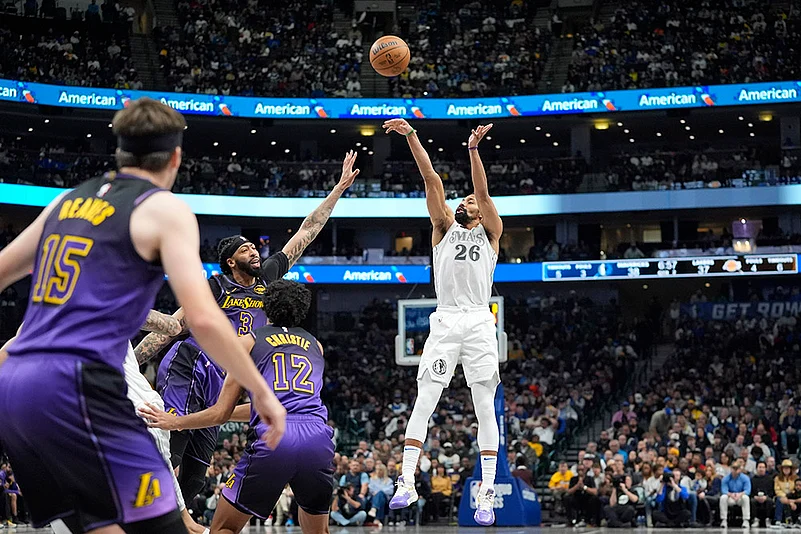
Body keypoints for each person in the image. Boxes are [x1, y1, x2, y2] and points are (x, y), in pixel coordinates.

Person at [0, 97, 285, 534]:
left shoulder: (66, 203)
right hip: (77, 385)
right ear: (175, 157)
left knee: (105, 526)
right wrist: (260, 393)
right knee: (163, 528)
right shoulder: (163, 208)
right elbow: (204, 319)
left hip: (17, 386)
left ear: (119, 151)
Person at [137, 150, 359, 506]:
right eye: (247, 250)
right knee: (171, 452)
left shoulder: (269, 278)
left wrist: (338, 189)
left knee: (195, 475)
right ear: (231, 261)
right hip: (192, 365)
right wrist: (132, 360)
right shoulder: (214, 286)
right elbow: (173, 327)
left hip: (223, 378)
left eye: (255, 248)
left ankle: (180, 520)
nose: (255, 252)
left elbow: (308, 231)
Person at [383, 118, 503, 526]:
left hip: (479, 321)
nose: (465, 202)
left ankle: (486, 493)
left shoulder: (491, 234)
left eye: (469, 201)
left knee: (484, 405)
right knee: (425, 400)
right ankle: (406, 480)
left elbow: (484, 193)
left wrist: (473, 151)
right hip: (447, 320)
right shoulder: (441, 228)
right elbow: (432, 178)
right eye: (463, 200)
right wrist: (412, 137)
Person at [140, 280, 333, 534]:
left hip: (275, 439)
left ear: (266, 306)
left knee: (224, 528)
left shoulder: (249, 341)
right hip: (318, 438)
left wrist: (174, 421)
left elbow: (221, 413)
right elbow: (284, 406)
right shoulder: (315, 346)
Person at [721, 460, 752, 529]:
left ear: (740, 469)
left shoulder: (745, 478)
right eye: (733, 468)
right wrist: (731, 495)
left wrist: (739, 494)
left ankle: (746, 520)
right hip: (730, 497)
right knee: (723, 497)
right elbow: (724, 490)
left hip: (740, 497)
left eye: (737, 468)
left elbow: (747, 490)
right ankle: (724, 520)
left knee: (746, 498)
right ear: (731, 469)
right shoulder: (726, 478)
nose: (735, 470)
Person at [750, 460, 774, 528]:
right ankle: (755, 519)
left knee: (769, 501)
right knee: (752, 501)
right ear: (756, 468)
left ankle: (768, 519)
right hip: (755, 497)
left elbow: (772, 492)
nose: (761, 469)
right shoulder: (752, 480)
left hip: (766, 497)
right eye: (760, 467)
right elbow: (750, 492)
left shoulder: (770, 479)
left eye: (763, 467)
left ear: (765, 469)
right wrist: (755, 497)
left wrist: (765, 497)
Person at [774, 459, 797, 527]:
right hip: (781, 496)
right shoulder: (777, 478)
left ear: (791, 469)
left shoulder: (796, 478)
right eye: (784, 468)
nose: (786, 469)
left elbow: (796, 489)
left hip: (792, 496)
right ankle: (778, 520)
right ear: (782, 469)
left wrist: (790, 497)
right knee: (779, 500)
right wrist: (784, 496)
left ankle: (795, 520)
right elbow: (777, 490)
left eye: (788, 468)